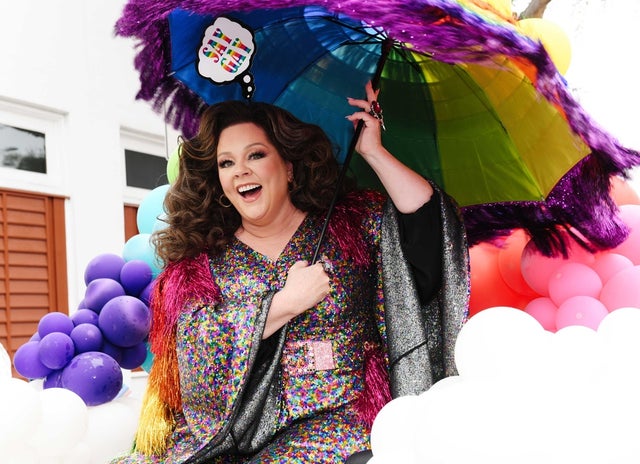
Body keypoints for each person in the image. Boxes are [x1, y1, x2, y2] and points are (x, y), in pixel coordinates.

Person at [111, 82, 469, 464]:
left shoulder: (351, 227)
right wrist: (283, 304)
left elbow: (429, 234)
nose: (240, 171)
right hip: (233, 433)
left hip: (338, 422)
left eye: (256, 154)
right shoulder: (202, 265)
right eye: (226, 163)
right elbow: (196, 354)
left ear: (288, 166)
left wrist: (373, 152)